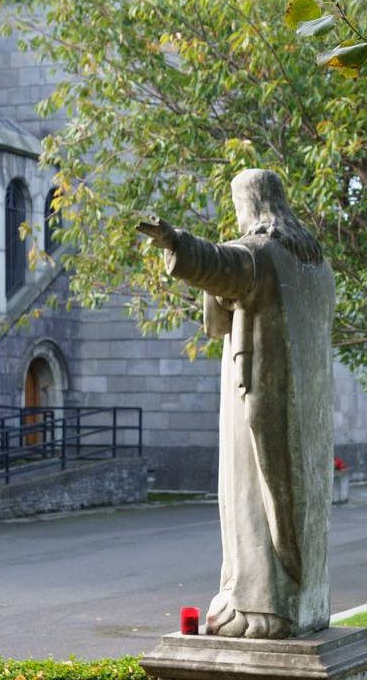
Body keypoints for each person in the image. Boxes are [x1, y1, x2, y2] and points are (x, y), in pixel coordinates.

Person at [137, 169, 334, 639]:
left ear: (252, 204)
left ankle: (261, 605)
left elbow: (221, 264)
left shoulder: (263, 253)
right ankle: (300, 599)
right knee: (296, 498)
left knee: (250, 492)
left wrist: (175, 242)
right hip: (306, 407)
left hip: (258, 395)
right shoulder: (315, 265)